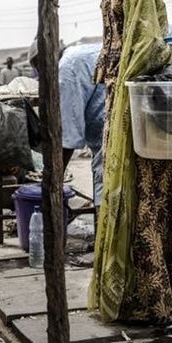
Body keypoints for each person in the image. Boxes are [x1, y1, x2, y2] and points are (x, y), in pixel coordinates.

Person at [89, 0, 172, 325]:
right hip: (145, 109)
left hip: (117, 104)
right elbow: (147, 52)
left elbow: (116, 52)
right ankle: (152, 300)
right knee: (150, 196)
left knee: (123, 194)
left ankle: (125, 295)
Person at [29, 42, 105, 267]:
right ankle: (107, 243)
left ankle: (103, 253)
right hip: (111, 125)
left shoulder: (67, 67)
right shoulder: (79, 54)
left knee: (106, 184)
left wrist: (53, 182)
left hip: (110, 130)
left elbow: (68, 138)